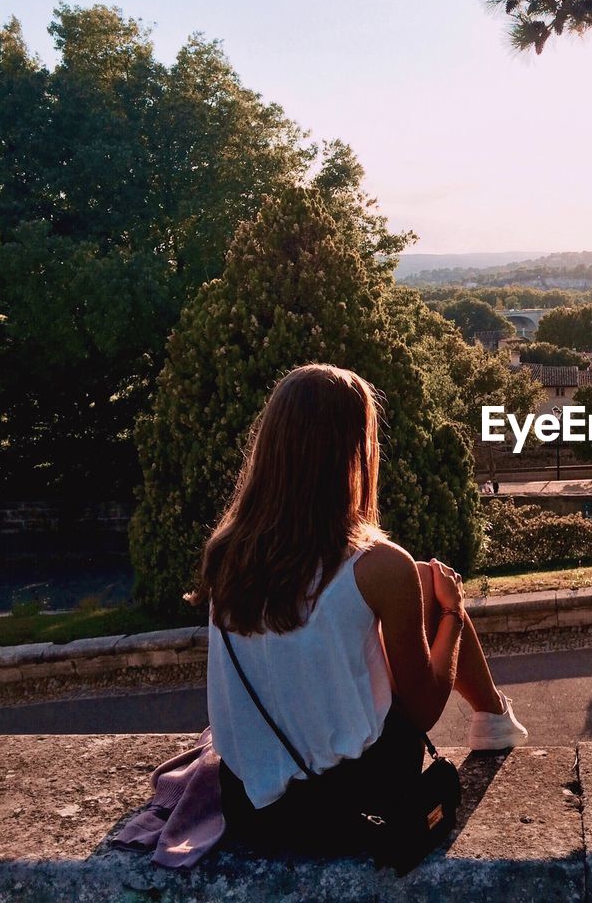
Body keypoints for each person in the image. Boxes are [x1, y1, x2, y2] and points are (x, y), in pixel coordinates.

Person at [199, 364, 526, 854]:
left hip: (247, 798)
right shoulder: (375, 565)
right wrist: (455, 612)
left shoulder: (226, 552)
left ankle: (495, 715)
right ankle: (493, 716)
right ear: (353, 453)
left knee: (416, 578)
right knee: (428, 585)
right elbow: (423, 710)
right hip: (355, 787)